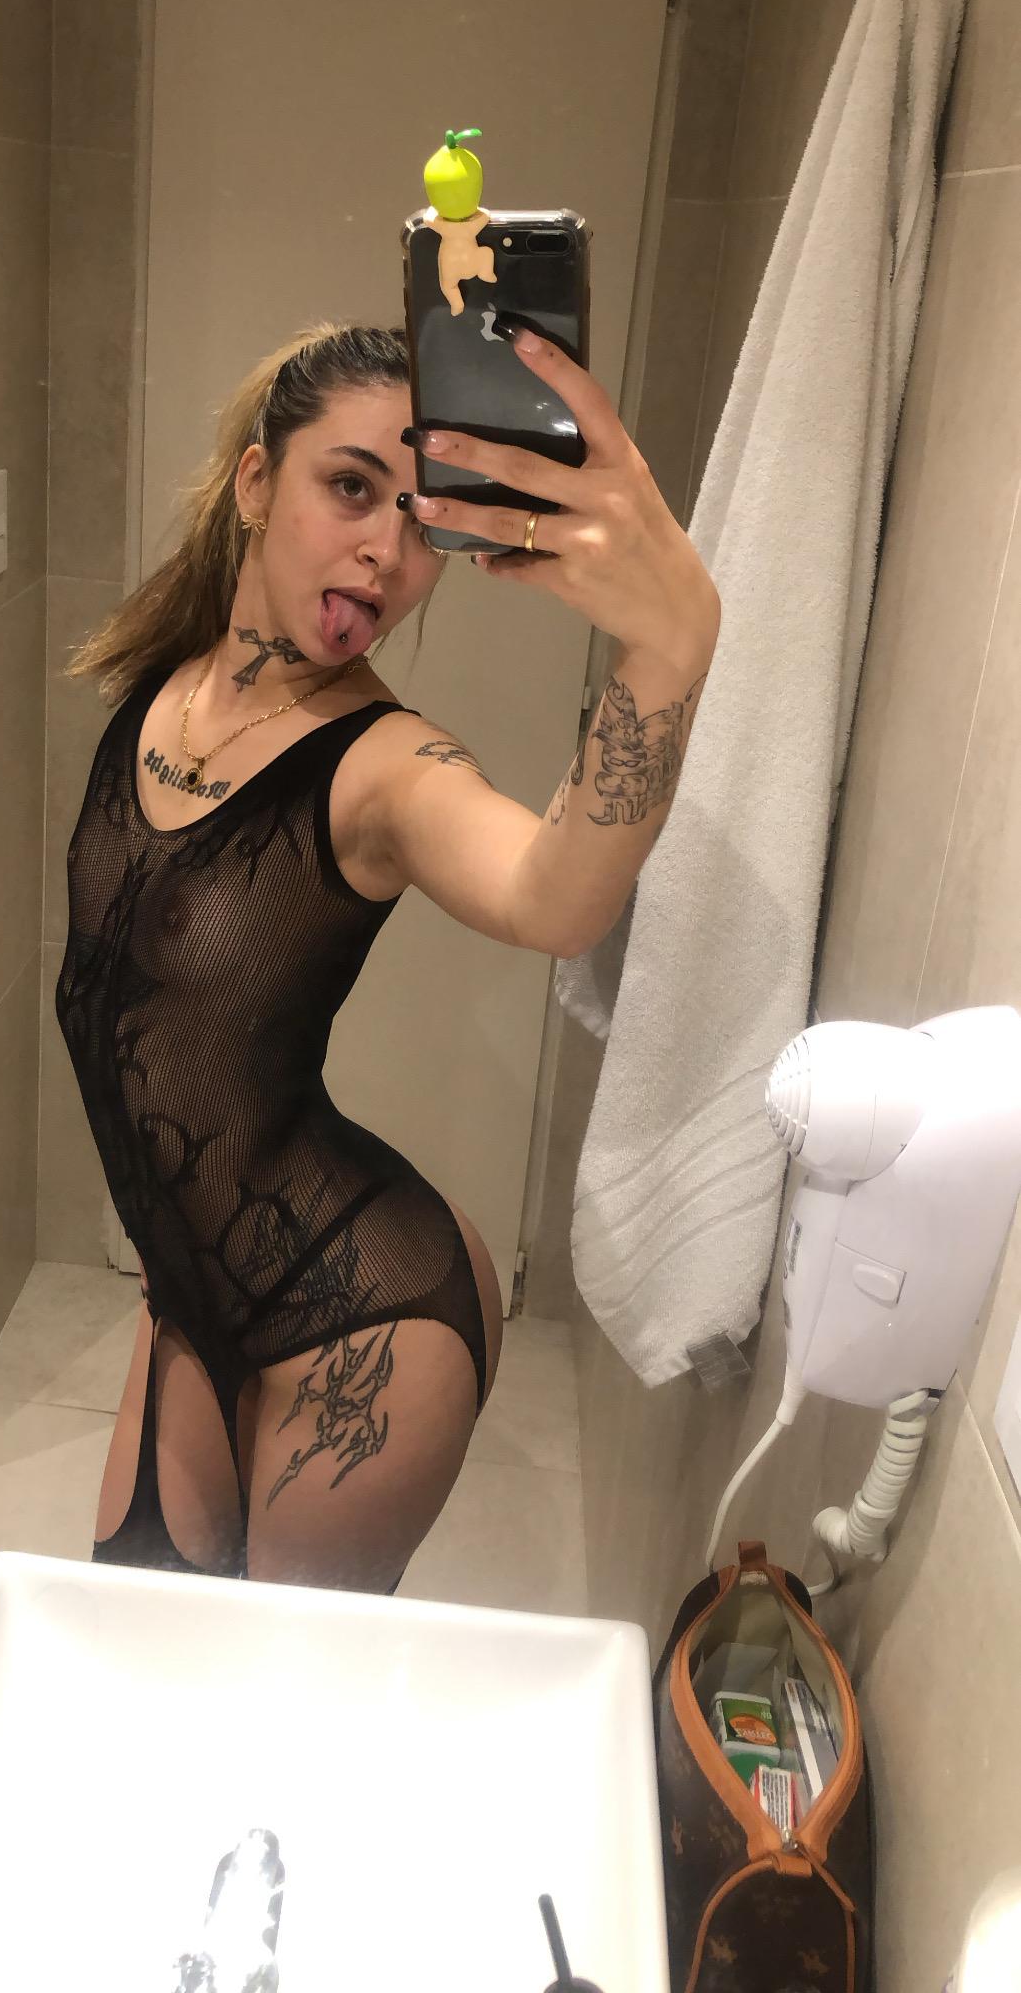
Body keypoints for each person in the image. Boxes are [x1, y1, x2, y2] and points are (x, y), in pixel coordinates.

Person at [57, 319, 720, 1595]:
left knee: (286, 1697)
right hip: (190, 1288)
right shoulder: (164, 685)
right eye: (352, 488)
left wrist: (669, 648)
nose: (387, 550)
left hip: (362, 1321)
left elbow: (551, 896)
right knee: (132, 1633)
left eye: (424, 522)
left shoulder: (383, 767)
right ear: (258, 483)